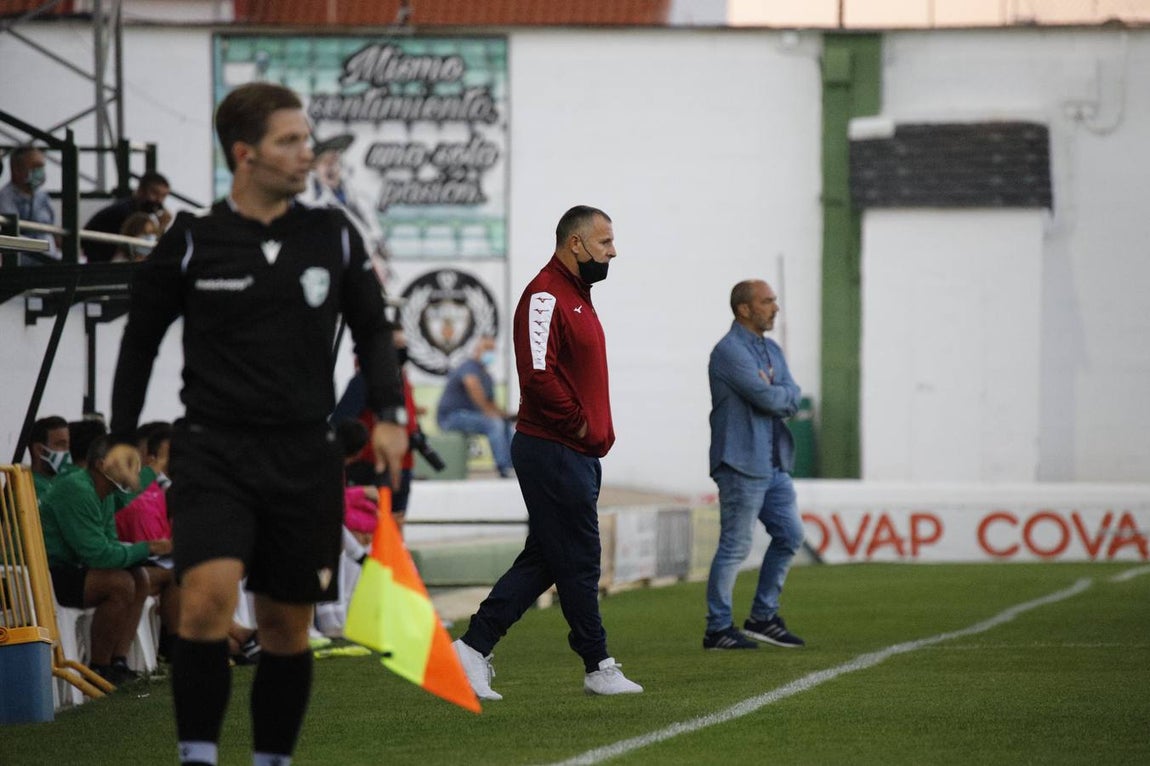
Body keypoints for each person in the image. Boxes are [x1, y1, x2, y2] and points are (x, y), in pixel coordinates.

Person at [109, 81, 408, 766]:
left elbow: (371, 325)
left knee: (283, 626)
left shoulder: (332, 234)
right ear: (246, 154)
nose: (307, 153)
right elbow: (140, 341)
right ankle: (199, 756)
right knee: (207, 603)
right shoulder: (192, 240)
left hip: (305, 457)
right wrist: (123, 431)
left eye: (306, 138)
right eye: (290, 141)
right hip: (214, 453)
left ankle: (272, 758)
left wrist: (389, 415)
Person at [453, 205, 643, 699]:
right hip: (555, 448)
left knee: (547, 558)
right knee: (578, 557)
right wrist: (578, 424)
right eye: (604, 243)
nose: (613, 251)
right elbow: (537, 375)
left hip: (573, 452)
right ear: (575, 243)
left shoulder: (576, 295)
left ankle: (473, 647)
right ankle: (597, 663)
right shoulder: (545, 295)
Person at [703, 279, 807, 651]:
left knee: (791, 535)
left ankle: (763, 617)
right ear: (743, 309)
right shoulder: (729, 351)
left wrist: (779, 395)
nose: (775, 307)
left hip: (774, 463)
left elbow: (793, 395)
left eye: (774, 300)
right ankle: (717, 628)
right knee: (735, 546)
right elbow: (769, 398)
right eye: (766, 301)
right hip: (741, 463)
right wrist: (779, 395)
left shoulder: (772, 349)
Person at [38, 435, 172, 686]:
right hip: (48, 572)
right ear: (101, 465)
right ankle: (99, 668)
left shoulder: (106, 491)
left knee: (140, 578)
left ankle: (118, 662)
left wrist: (143, 552)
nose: (135, 471)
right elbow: (98, 554)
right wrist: (149, 547)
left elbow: (107, 544)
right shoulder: (77, 489)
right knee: (119, 584)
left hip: (76, 567)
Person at [437, 332, 515, 478]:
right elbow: (472, 386)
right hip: (451, 418)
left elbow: (491, 404)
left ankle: (513, 466)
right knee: (494, 424)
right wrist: (491, 413)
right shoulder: (469, 366)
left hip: (470, 416)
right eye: (487, 348)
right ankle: (503, 467)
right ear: (477, 349)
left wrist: (506, 416)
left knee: (507, 425)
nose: (490, 353)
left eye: (492, 349)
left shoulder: (487, 376)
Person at [83, 171, 171, 262]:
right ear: (141, 190)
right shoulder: (124, 212)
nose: (159, 200)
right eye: (154, 193)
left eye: (163, 196)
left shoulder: (137, 211)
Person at [0, 145, 59, 264]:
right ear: (16, 169)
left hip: (51, 262)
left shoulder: (43, 197)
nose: (40, 171)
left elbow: (54, 231)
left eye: (42, 167)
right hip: (26, 267)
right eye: (35, 167)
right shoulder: (5, 198)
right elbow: (11, 233)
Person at [28, 415, 72, 500]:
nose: (67, 451)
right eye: (60, 444)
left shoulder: (58, 483)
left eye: (68, 445)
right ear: (39, 450)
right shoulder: (29, 485)